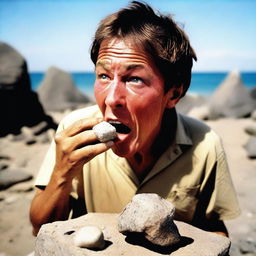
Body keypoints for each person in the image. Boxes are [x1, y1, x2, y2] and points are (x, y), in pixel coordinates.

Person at [30, 1, 240, 237]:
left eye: (134, 79)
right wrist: (62, 173)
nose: (111, 99)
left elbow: (214, 229)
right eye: (104, 76)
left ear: (174, 93)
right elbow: (40, 229)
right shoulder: (74, 131)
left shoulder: (206, 143)